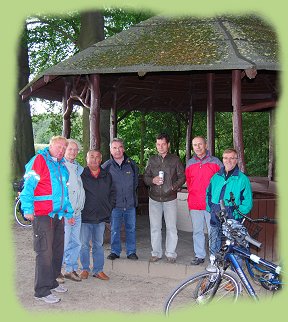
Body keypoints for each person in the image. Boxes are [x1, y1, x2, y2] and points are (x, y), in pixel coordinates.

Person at [19, 136, 74, 304]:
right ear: (50, 146)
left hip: (58, 215)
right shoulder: (39, 160)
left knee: (57, 250)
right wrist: (27, 208)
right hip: (42, 215)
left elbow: (64, 194)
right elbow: (28, 186)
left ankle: (52, 282)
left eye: (64, 148)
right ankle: (42, 291)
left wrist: (69, 213)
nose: (61, 150)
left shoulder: (62, 166)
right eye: (58, 147)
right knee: (44, 252)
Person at [206, 148, 253, 271]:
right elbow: (208, 194)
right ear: (222, 159)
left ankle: (235, 274)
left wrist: (233, 212)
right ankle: (214, 270)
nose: (229, 160)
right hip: (215, 217)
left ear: (236, 160)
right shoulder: (216, 177)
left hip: (232, 219)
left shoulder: (242, 179)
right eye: (226, 158)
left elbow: (247, 203)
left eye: (232, 158)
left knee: (234, 246)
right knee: (214, 244)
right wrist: (211, 208)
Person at [143, 133, 185, 263]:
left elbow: (182, 177)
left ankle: (171, 253)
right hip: (154, 198)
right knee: (155, 227)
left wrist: (173, 187)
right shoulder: (151, 160)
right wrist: (152, 180)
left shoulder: (175, 159)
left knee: (171, 227)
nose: (160, 147)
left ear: (168, 145)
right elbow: (145, 177)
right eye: (158, 144)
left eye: (163, 144)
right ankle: (156, 253)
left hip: (170, 198)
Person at [185, 136, 222, 265]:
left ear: (206, 145)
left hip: (211, 204)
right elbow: (189, 183)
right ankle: (199, 255)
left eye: (200, 144)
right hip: (195, 203)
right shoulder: (190, 163)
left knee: (213, 231)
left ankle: (214, 257)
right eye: (195, 145)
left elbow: (221, 182)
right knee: (197, 231)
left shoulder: (216, 162)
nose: (198, 147)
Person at [79, 149, 116, 280]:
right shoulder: (81, 175)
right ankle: (85, 269)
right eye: (91, 157)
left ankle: (98, 270)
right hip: (85, 216)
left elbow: (113, 193)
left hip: (101, 216)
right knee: (83, 244)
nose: (94, 159)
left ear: (101, 160)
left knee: (98, 244)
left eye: (97, 157)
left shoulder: (107, 175)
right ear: (86, 159)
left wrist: (109, 207)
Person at [102, 138, 139, 261]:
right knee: (114, 229)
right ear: (111, 150)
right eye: (114, 148)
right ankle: (115, 251)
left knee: (131, 229)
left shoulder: (132, 164)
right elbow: (103, 186)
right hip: (115, 205)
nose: (117, 150)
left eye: (119, 147)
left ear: (123, 149)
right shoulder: (106, 166)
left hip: (130, 204)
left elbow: (135, 184)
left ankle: (131, 252)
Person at [62, 139, 85, 282]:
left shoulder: (78, 168)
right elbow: (63, 193)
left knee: (76, 243)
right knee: (63, 243)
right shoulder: (61, 167)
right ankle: (57, 271)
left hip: (78, 212)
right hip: (66, 213)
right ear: (64, 149)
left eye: (76, 150)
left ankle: (70, 270)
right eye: (70, 149)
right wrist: (68, 212)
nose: (73, 152)